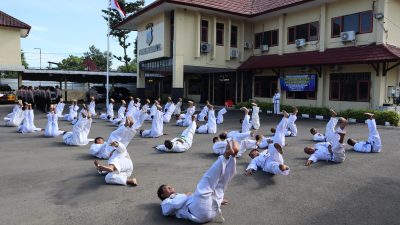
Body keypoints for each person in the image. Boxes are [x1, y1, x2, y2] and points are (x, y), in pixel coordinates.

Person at [157, 139, 239, 223]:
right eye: (166, 188)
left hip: (209, 211)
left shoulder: (179, 196)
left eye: (169, 186)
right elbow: (166, 211)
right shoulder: (165, 202)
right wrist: (186, 195)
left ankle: (232, 158)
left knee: (221, 185)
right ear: (162, 195)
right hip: (198, 212)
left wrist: (219, 200)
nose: (170, 187)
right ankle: (226, 155)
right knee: (206, 182)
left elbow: (186, 199)